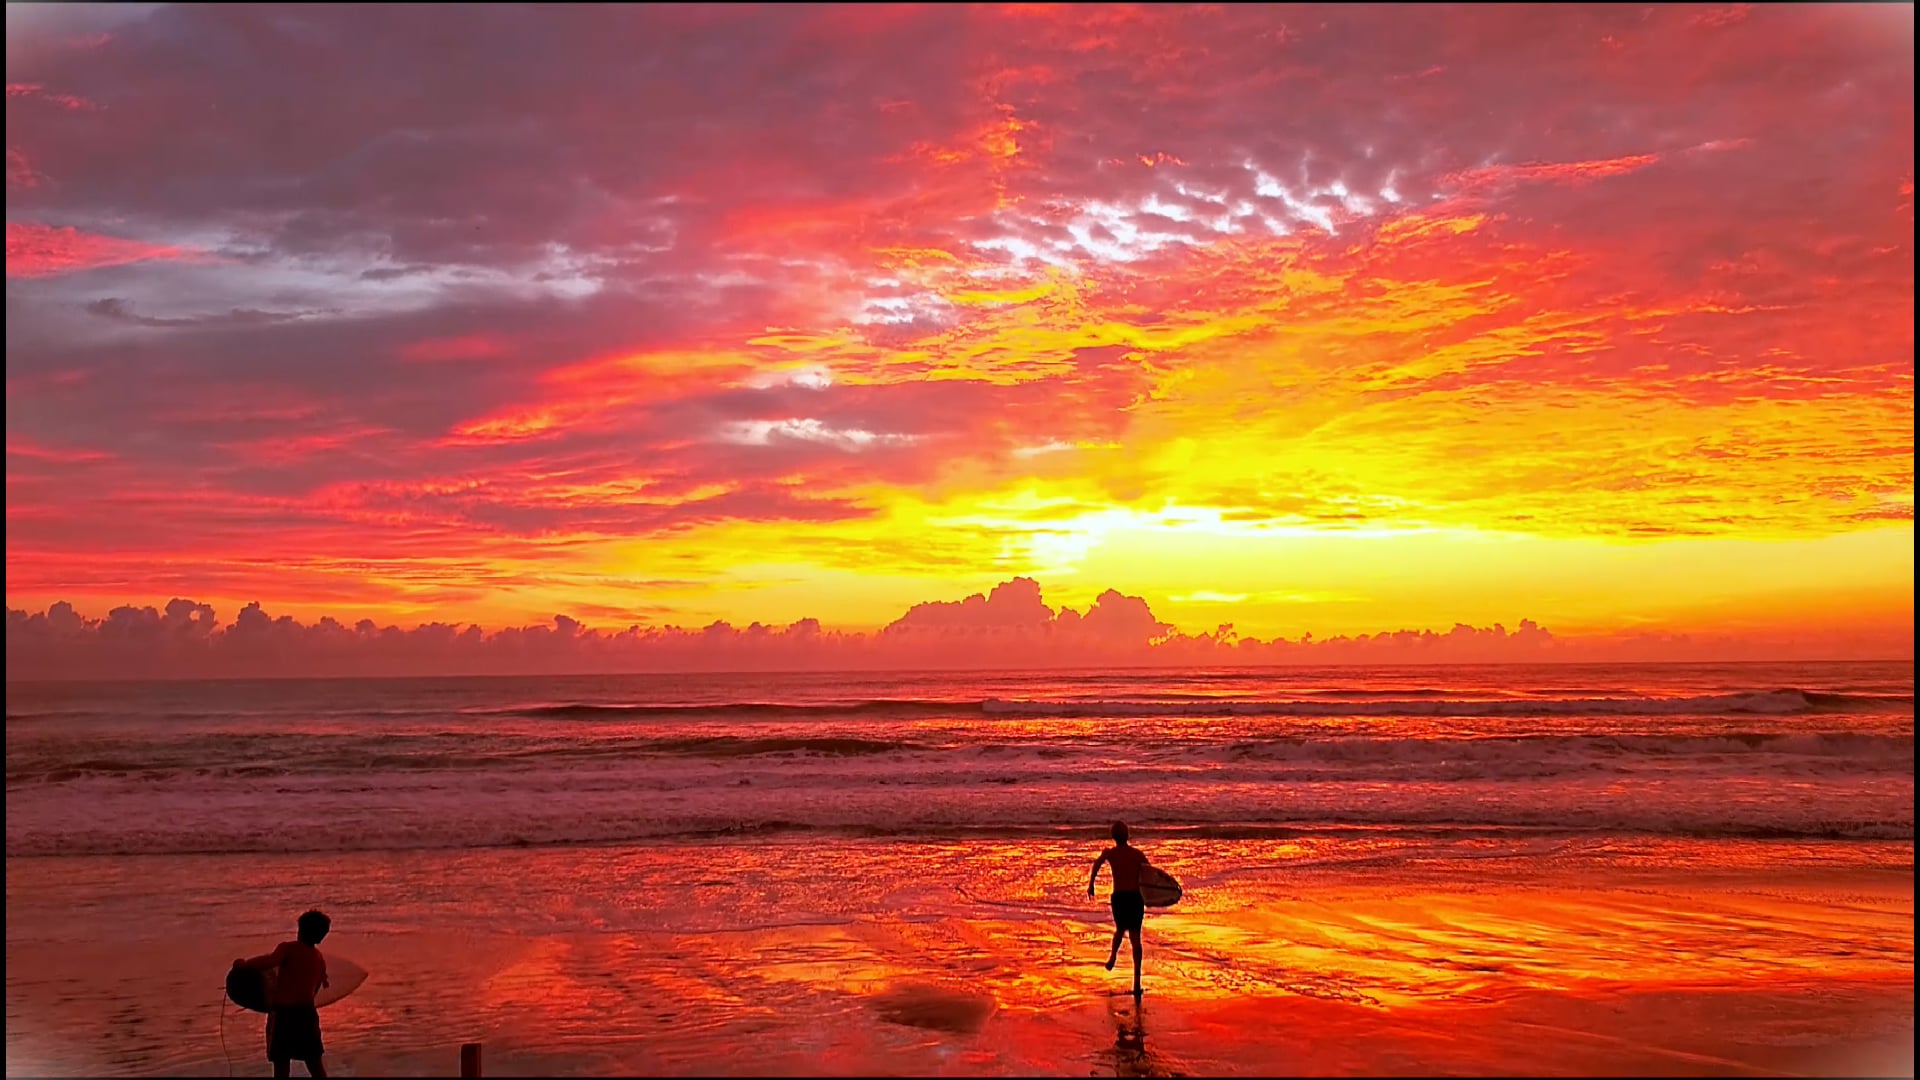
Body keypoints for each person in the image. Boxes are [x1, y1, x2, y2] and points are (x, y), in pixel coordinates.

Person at [234, 909, 332, 1079]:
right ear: (321, 936)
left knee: (281, 1065)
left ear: (300, 930)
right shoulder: (319, 958)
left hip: (285, 1016)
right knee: (315, 1065)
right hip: (307, 1015)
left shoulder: (288, 948)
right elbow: (315, 989)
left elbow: (270, 961)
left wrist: (244, 964)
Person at [1088, 821, 1149, 996]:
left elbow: (1097, 864)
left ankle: (1113, 955)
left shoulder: (1111, 854)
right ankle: (1137, 980)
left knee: (1120, 930)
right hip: (1135, 897)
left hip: (1120, 897)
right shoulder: (1137, 855)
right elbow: (1151, 874)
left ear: (1113, 837)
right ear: (1127, 835)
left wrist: (1091, 884)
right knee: (1136, 938)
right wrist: (1155, 896)